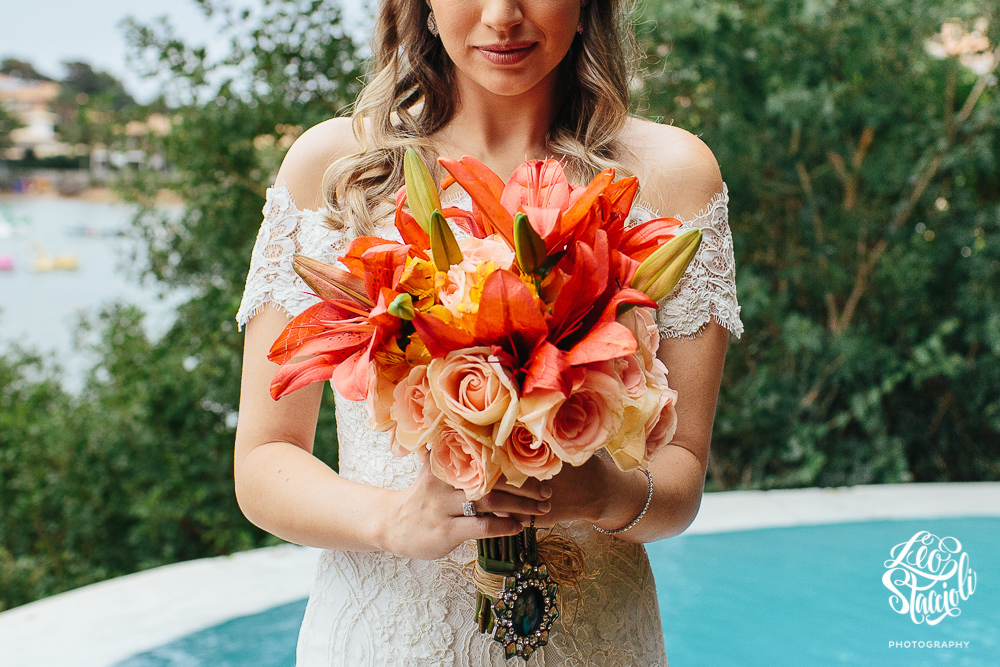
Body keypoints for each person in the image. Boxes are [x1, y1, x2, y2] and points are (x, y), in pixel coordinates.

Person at [234, 0, 743, 664]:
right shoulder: (337, 171)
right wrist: (393, 521)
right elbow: (263, 462)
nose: (503, 16)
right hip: (388, 639)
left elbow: (682, 477)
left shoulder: (673, 177)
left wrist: (605, 492)